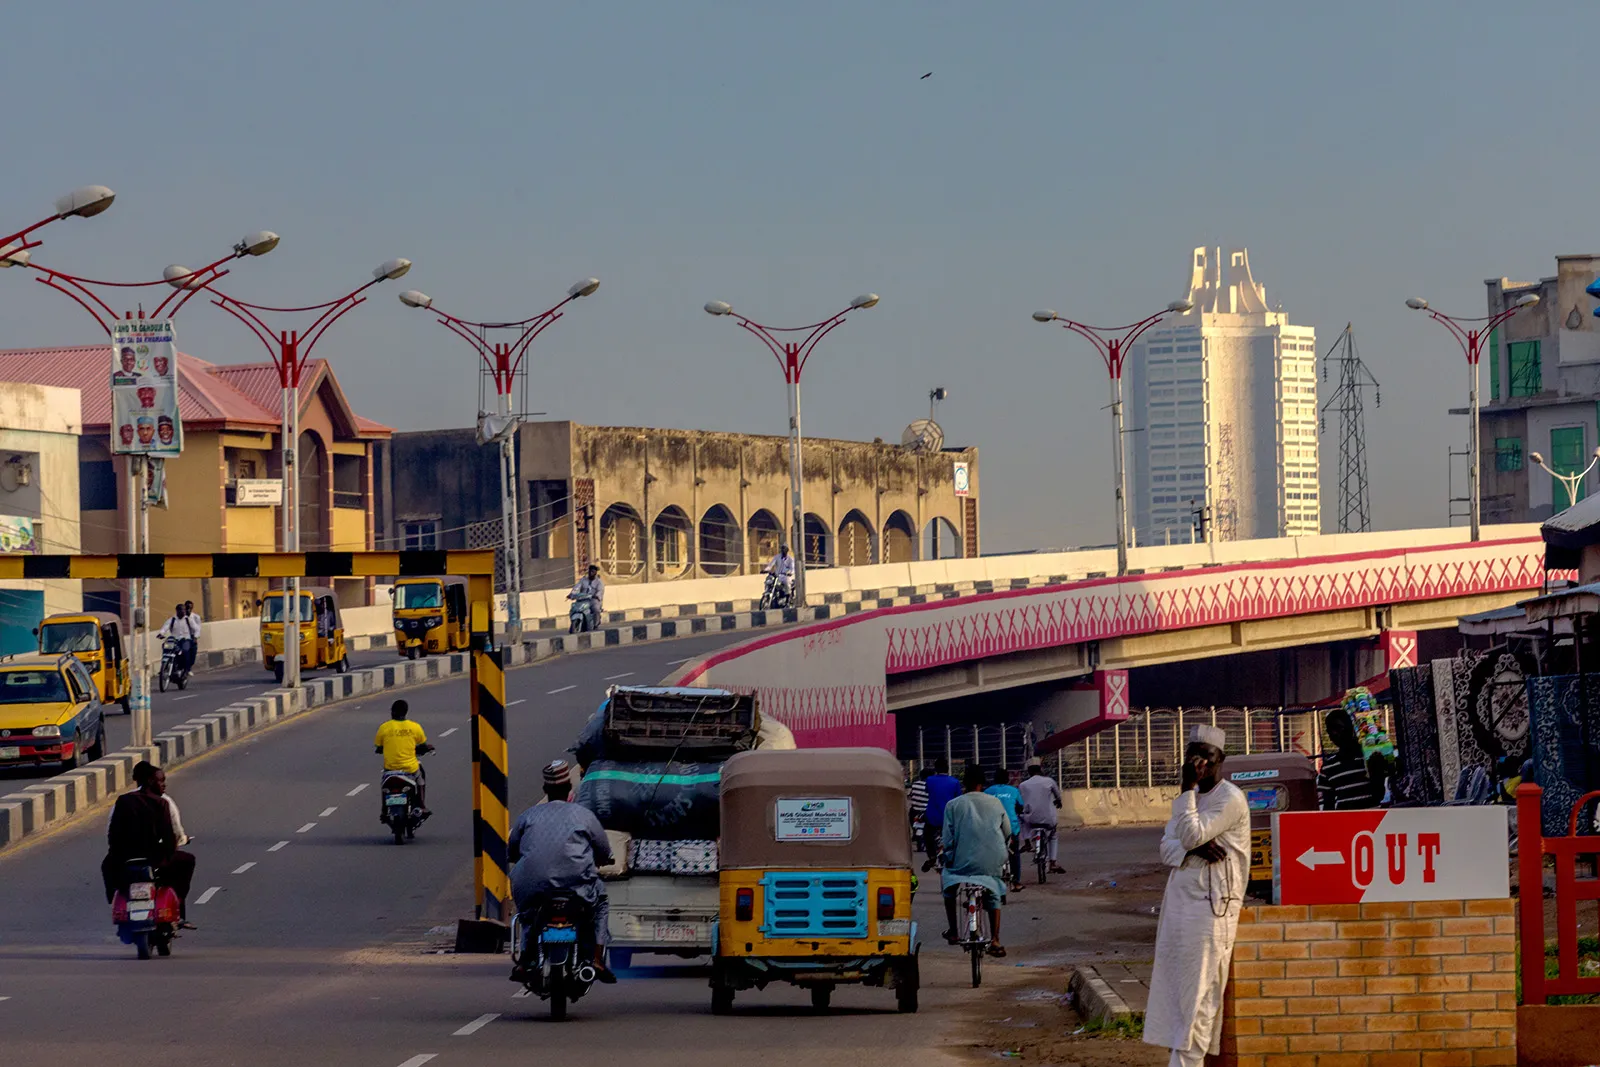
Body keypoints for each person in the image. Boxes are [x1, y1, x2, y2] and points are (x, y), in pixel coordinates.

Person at [1143, 725, 1251, 1067]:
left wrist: (1186, 792)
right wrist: (1196, 848)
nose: (1200, 762)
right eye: (1195, 755)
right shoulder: (1189, 799)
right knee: (1181, 995)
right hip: (1180, 906)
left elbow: (1189, 834)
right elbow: (1166, 847)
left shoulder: (1229, 798)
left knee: (1200, 998)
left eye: (1208, 756)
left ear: (1221, 760)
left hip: (1212, 909)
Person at [509, 759, 617, 984]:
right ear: (569, 789)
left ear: (545, 790)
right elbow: (604, 849)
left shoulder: (528, 816)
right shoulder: (584, 815)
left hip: (533, 885)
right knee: (601, 902)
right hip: (576, 886)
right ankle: (597, 957)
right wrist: (604, 859)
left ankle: (525, 960)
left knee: (528, 915)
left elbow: (513, 849)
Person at [101, 761, 197, 926]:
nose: (164, 785)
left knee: (107, 866)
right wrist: (170, 852)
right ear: (151, 781)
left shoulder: (123, 800)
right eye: (161, 781)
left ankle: (115, 896)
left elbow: (112, 832)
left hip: (125, 858)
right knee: (187, 861)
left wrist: (116, 854)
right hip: (154, 858)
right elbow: (171, 833)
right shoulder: (163, 803)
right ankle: (178, 906)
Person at [940, 764, 1012, 957]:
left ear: (964, 783)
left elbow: (947, 840)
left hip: (961, 863)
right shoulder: (995, 803)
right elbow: (1008, 831)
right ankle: (995, 940)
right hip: (992, 860)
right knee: (994, 893)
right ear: (983, 783)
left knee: (949, 887)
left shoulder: (953, 805)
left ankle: (954, 932)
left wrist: (946, 856)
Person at [374, 699, 433, 817]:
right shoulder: (415, 727)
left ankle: (384, 809)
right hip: (409, 768)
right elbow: (423, 744)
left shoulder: (384, 727)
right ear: (406, 712)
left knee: (384, 784)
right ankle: (421, 805)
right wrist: (428, 748)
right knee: (420, 778)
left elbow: (378, 746)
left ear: (392, 712)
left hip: (390, 768)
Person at [1317, 709, 1380, 811]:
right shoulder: (1328, 767)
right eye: (1330, 731)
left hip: (1372, 820)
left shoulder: (1368, 758)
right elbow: (1328, 806)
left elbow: (1378, 794)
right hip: (1344, 822)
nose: (1334, 734)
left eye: (1339, 729)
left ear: (1350, 728)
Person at [1019, 760, 1066, 875]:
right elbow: (1058, 795)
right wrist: (1059, 802)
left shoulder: (1023, 785)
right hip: (1048, 819)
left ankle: (1027, 842)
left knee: (1021, 818)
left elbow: (1020, 802)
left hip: (1030, 820)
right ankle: (1053, 863)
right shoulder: (1049, 781)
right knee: (1053, 835)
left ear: (1029, 771)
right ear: (1041, 768)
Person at [985, 767, 1025, 893]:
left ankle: (991, 881)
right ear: (1008, 779)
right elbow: (1021, 807)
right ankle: (1016, 882)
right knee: (1014, 854)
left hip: (993, 829)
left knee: (991, 854)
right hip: (1012, 829)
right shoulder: (1014, 790)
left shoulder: (988, 791)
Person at [920, 759, 962, 872]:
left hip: (932, 816)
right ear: (948, 769)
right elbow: (958, 798)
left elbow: (928, 791)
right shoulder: (955, 782)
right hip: (949, 818)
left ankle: (932, 857)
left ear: (936, 769)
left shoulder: (930, 780)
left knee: (927, 835)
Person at [157, 603, 200, 675]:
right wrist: (161, 633)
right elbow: (165, 628)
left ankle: (187, 669)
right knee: (166, 649)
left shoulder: (188, 620)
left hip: (186, 639)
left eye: (184, 610)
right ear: (177, 611)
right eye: (181, 610)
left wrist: (195, 637)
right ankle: (164, 667)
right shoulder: (172, 620)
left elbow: (197, 629)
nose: (183, 611)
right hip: (174, 640)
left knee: (185, 650)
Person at [569, 564, 605, 630]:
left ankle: (596, 624)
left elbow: (600, 591)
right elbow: (577, 587)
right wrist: (571, 594)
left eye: (593, 572)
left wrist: (597, 596)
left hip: (593, 600)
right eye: (590, 571)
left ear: (595, 573)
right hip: (582, 599)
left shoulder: (599, 582)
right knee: (574, 608)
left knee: (596, 610)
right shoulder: (583, 580)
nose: (591, 573)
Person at [908, 766, 931, 850]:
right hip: (925, 811)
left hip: (914, 811)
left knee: (911, 817)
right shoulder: (930, 785)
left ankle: (915, 833)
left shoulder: (915, 784)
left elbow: (910, 795)